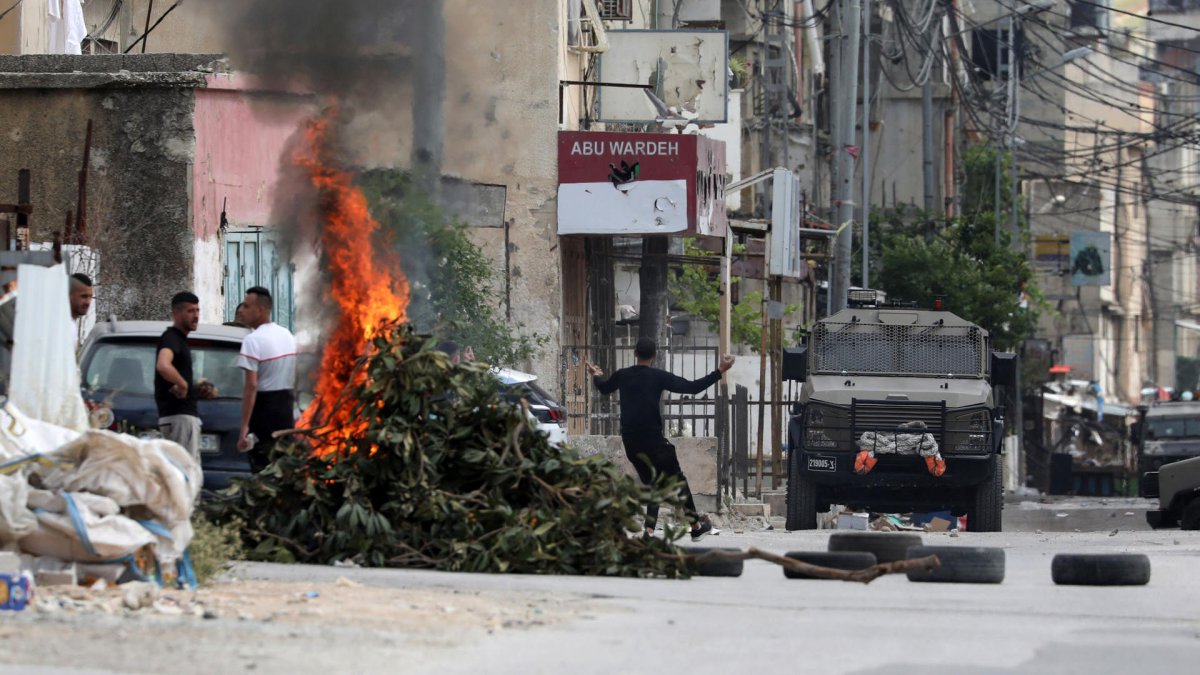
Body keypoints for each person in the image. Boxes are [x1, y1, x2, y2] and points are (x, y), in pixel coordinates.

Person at [587, 338, 735, 541]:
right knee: (678, 480)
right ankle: (696, 526)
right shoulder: (658, 377)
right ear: (654, 356)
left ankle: (649, 531)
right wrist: (720, 371)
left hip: (630, 442)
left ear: (635, 353)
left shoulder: (623, 375)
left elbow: (603, 388)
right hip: (653, 441)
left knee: (655, 483)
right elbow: (692, 388)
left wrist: (595, 375)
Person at [236, 286, 297, 472]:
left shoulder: (252, 340)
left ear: (260, 310)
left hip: (264, 411)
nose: (242, 310)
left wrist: (244, 426)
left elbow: (251, 386)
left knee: (262, 467)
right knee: (282, 467)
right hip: (286, 408)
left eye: (247, 306)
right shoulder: (286, 334)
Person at [155, 292, 203, 464]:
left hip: (181, 418)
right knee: (185, 474)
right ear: (176, 313)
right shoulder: (171, 338)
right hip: (180, 419)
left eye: (198, 310)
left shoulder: (179, 340)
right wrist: (182, 383)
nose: (196, 315)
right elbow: (163, 365)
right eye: (190, 311)